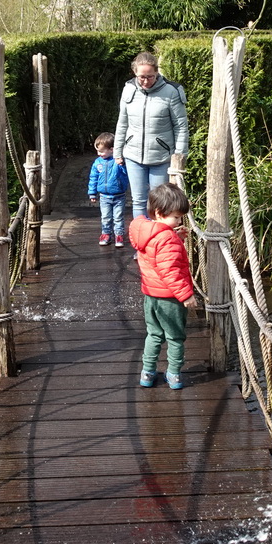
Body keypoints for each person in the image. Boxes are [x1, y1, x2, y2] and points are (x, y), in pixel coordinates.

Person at [129, 182, 198, 390]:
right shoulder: (167, 238)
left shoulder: (147, 232)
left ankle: (148, 373)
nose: (179, 221)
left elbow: (155, 254)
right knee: (176, 337)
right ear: (159, 213)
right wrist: (186, 295)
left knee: (154, 334)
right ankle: (174, 374)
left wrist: (176, 238)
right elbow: (170, 272)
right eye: (176, 217)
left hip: (151, 296)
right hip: (170, 299)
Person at [113, 52, 189, 220]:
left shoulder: (172, 91)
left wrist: (179, 156)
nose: (146, 81)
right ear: (135, 73)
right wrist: (117, 152)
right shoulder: (129, 89)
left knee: (160, 202)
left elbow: (181, 126)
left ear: (157, 73)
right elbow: (122, 123)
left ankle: (157, 243)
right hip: (133, 155)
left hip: (161, 158)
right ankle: (140, 243)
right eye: (142, 77)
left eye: (150, 76)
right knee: (138, 201)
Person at [87, 131, 129, 247]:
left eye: (101, 151)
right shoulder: (97, 163)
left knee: (118, 217)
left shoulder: (118, 161)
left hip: (119, 195)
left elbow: (126, 174)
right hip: (104, 196)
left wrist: (122, 164)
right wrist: (92, 193)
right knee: (105, 217)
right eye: (97, 151)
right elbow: (93, 178)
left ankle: (119, 235)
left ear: (111, 149)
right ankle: (106, 234)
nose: (99, 154)